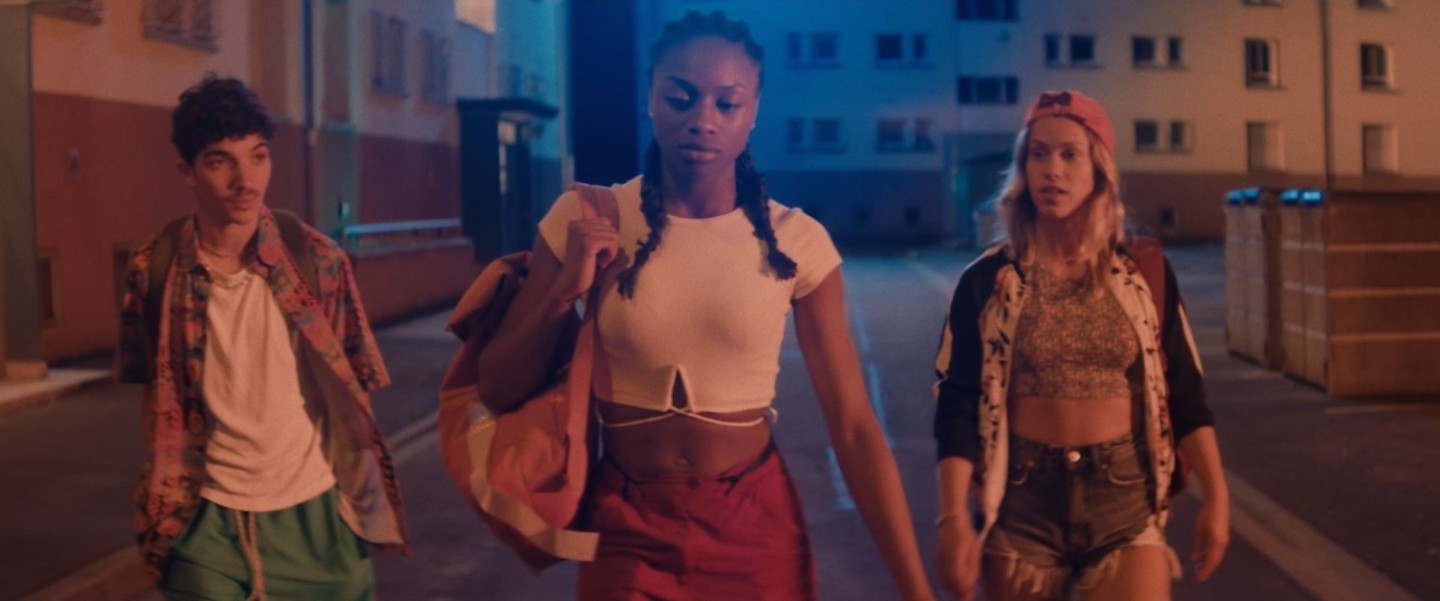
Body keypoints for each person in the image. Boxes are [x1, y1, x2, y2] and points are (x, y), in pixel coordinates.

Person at [474, 11, 935, 601]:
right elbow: (497, 387)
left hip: (755, 527)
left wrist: (916, 589)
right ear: (651, 99)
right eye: (682, 97)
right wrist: (565, 291)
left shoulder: (797, 241)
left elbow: (853, 427)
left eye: (727, 103)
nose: (702, 121)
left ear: (754, 113)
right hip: (628, 526)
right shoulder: (586, 219)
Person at [117, 74, 408, 600]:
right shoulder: (152, 267)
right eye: (219, 161)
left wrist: (359, 500)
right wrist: (159, 502)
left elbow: (355, 385)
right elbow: (150, 393)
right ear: (186, 170)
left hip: (313, 513)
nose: (244, 180)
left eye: (257, 156)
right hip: (202, 516)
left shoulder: (318, 262)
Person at [931, 90, 1230, 601]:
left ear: (1100, 167)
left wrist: (1217, 498)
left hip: (1124, 500)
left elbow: (1183, 388)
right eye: (1039, 153)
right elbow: (957, 401)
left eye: (1071, 154)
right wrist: (954, 515)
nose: (1053, 169)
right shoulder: (988, 281)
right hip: (1022, 504)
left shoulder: (1143, 272)